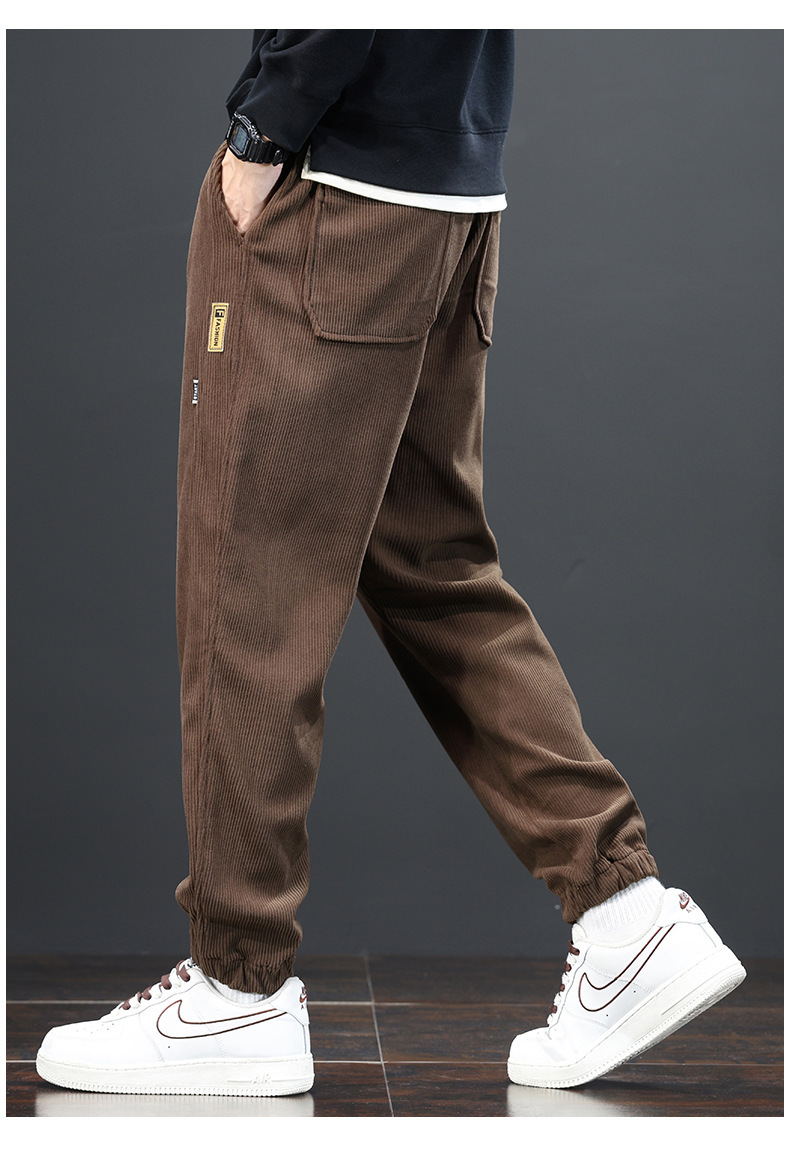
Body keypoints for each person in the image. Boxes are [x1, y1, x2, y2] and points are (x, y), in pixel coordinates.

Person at [36, 29, 745, 1098]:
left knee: (247, 587)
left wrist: (264, 127)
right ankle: (625, 913)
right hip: (450, 187)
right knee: (432, 565)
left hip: (335, 184)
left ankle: (235, 987)